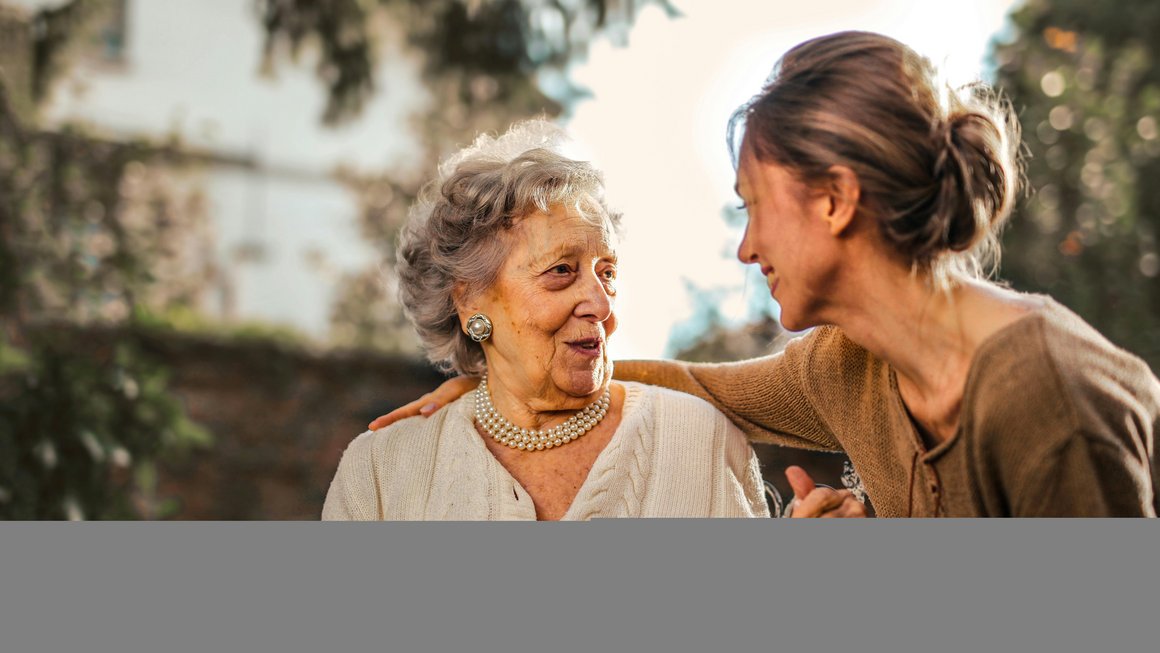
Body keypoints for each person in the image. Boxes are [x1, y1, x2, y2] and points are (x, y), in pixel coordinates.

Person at [371, 32, 1160, 517]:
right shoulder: (848, 365)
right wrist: (506, 377)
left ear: (835, 200)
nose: (747, 248)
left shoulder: (1046, 398)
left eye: (754, 206)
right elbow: (698, 386)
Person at [323, 120, 864, 520]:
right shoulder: (382, 473)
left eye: (606, 272)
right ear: (469, 302)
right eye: (561, 271)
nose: (602, 305)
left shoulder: (697, 440)